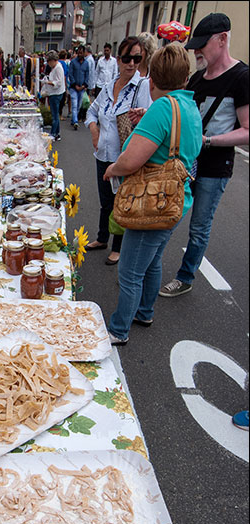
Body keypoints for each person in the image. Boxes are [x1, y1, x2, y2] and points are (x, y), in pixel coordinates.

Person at [101, 42, 202, 345]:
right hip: (175, 199)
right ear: (185, 78)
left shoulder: (161, 108)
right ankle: (145, 311)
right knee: (154, 260)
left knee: (130, 271)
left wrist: (112, 169)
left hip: (152, 203)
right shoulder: (188, 106)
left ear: (152, 80)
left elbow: (132, 158)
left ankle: (118, 330)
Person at [159, 12, 249, 297]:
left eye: (201, 44)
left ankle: (185, 277)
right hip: (185, 163)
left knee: (199, 226)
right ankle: (149, 270)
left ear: (222, 39)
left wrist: (209, 140)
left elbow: (247, 130)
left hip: (214, 167)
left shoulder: (241, 77)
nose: (196, 50)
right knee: (166, 216)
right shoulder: (197, 78)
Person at [85, 36, 152, 265]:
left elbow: (152, 120)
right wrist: (94, 130)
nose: (131, 63)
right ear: (118, 58)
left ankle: (118, 247)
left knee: (122, 202)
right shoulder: (108, 86)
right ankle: (102, 238)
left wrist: (144, 115)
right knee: (105, 201)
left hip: (124, 158)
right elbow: (91, 112)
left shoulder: (142, 87)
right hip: (102, 154)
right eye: (126, 58)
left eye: (136, 58)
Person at [41, 51, 65, 141]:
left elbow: (58, 82)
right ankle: (57, 133)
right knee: (55, 114)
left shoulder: (58, 68)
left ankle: (54, 133)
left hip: (56, 94)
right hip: (55, 93)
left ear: (53, 60)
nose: (48, 63)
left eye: (49, 61)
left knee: (54, 115)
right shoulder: (56, 67)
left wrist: (47, 82)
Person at [68, 45, 90, 129]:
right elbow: (71, 74)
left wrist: (84, 85)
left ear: (84, 53)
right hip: (74, 88)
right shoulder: (73, 62)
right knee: (74, 104)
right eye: (79, 52)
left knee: (78, 105)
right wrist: (75, 85)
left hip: (82, 88)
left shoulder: (86, 63)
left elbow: (87, 75)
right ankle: (76, 122)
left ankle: (74, 119)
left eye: (82, 52)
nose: (80, 54)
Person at [58, 49, 69, 120]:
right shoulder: (64, 64)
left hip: (57, 84)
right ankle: (60, 115)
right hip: (62, 84)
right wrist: (65, 85)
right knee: (62, 101)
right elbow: (64, 75)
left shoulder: (57, 62)